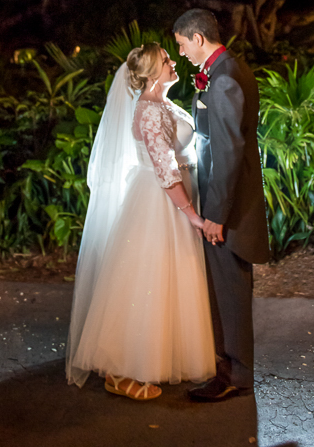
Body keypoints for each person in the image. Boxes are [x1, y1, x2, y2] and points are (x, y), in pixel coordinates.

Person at [65, 43, 215, 400]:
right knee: (146, 280)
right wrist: (192, 214)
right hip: (157, 201)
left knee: (169, 281)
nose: (172, 62)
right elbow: (164, 169)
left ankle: (161, 356)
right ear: (150, 73)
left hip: (174, 196)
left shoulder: (164, 103)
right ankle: (121, 369)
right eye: (165, 60)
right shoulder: (147, 110)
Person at [173, 8, 270, 402]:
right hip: (227, 203)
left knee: (228, 293)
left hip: (228, 209)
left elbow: (228, 151)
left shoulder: (225, 78)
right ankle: (231, 370)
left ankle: (233, 375)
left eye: (181, 44)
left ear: (198, 38)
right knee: (226, 292)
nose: (180, 53)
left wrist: (216, 215)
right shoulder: (226, 70)